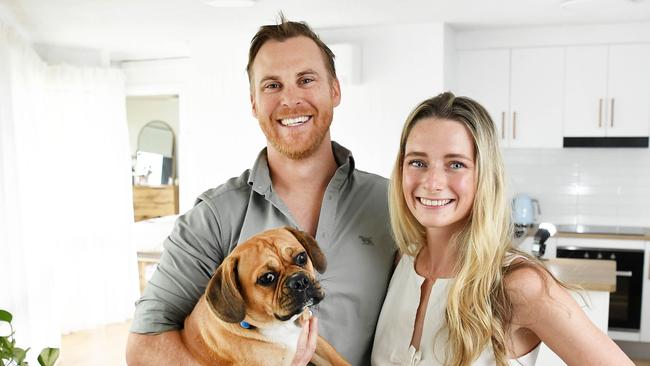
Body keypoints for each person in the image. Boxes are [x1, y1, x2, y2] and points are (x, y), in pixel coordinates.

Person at [126, 15, 396, 366]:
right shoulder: (212, 216)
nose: (290, 99)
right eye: (272, 86)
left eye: (306, 80)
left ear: (335, 90)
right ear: (253, 103)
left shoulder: (392, 203)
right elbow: (144, 347)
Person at [371, 92, 634, 366]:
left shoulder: (519, 285)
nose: (432, 181)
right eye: (418, 162)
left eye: (456, 164)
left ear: (484, 175)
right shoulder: (401, 262)